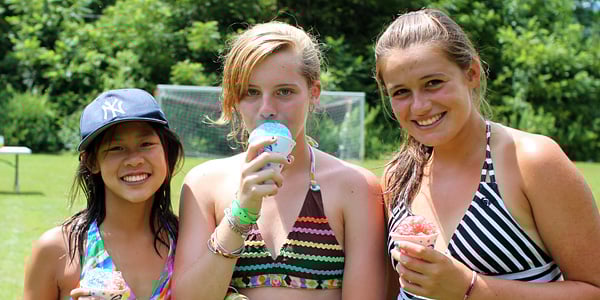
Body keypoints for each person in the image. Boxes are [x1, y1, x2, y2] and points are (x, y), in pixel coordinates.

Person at [374, 8, 600, 300]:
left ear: (472, 73)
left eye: (433, 83)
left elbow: (594, 289)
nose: (419, 107)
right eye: (401, 92)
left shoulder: (530, 160)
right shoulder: (399, 177)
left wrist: (471, 289)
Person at [173, 21, 386, 299]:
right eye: (251, 92)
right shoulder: (204, 184)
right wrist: (242, 212)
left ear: (314, 93)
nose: (267, 109)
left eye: (284, 91)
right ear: (235, 99)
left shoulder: (356, 186)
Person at [23, 88, 184, 299]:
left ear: (167, 152)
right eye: (116, 148)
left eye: (146, 144)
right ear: (91, 162)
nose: (134, 159)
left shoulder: (188, 242)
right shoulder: (57, 249)